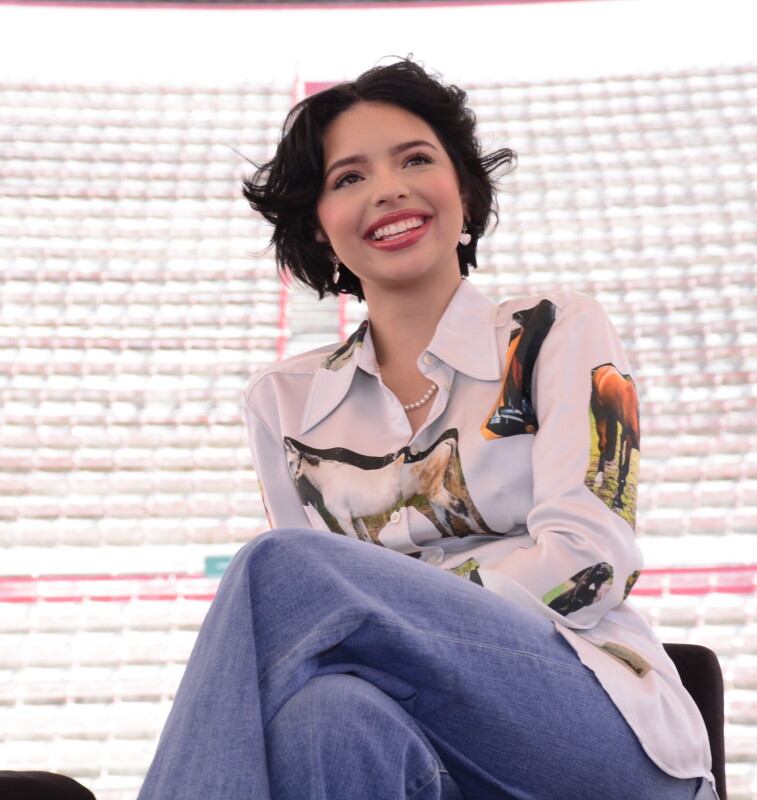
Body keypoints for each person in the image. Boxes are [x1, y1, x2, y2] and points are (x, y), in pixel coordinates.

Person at [138, 59, 716, 800]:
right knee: (322, 719)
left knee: (282, 570)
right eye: (349, 177)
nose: (387, 189)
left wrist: (395, 612)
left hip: (587, 717)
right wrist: (388, 619)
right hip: (409, 742)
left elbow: (592, 559)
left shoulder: (553, 330)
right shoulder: (281, 402)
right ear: (318, 228)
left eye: (414, 160)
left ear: (464, 193)